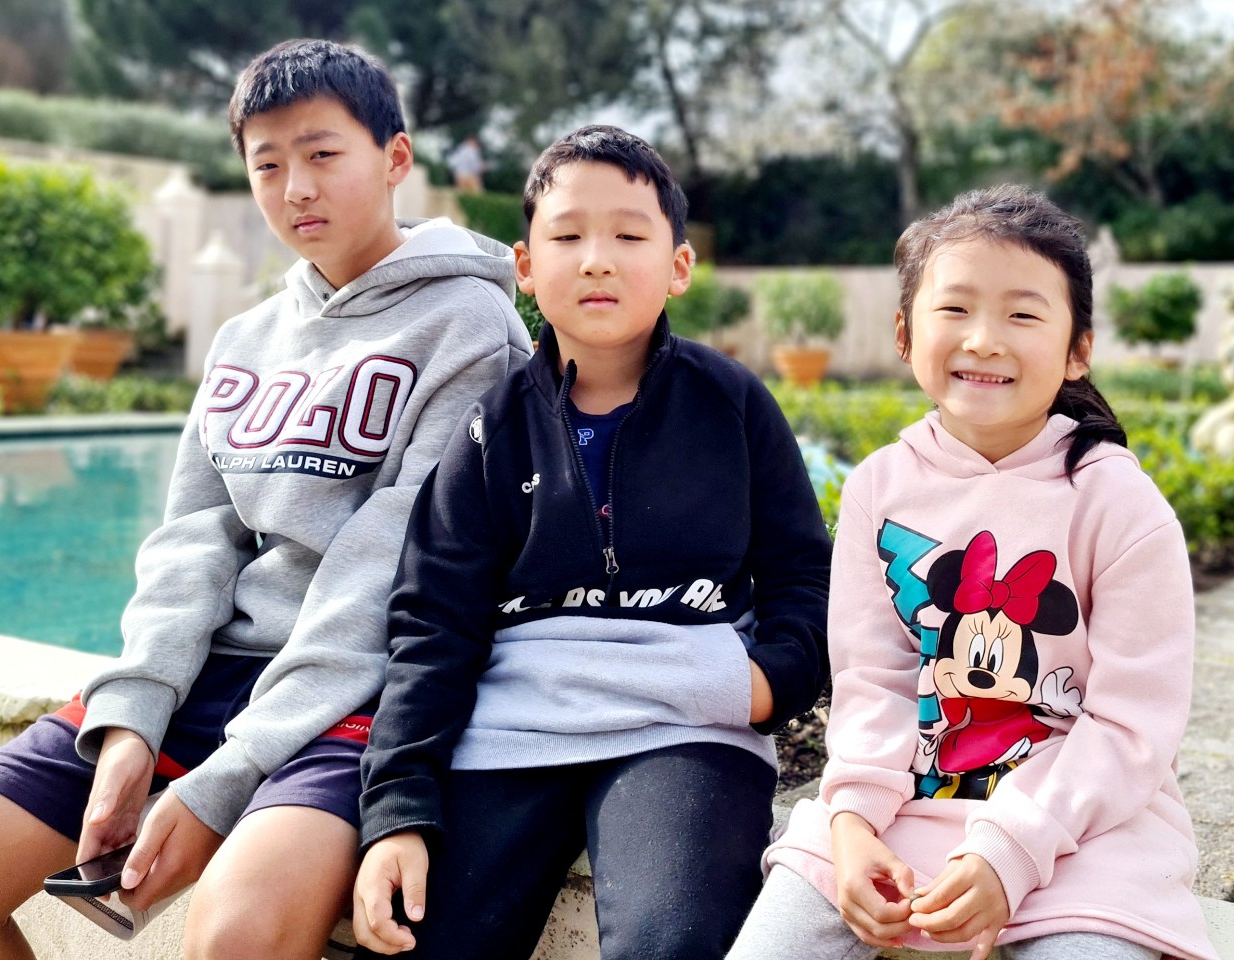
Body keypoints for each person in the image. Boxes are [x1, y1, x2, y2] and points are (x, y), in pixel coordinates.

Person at [0, 37, 531, 960]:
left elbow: (392, 565)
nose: (296, 188)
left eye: (322, 154)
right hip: (209, 674)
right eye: (267, 165)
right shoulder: (245, 337)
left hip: (355, 690)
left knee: (237, 935)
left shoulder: (471, 328)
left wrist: (230, 775)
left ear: (396, 157)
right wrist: (133, 717)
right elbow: (194, 537)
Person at [350, 124, 832, 959]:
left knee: (674, 943)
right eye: (568, 237)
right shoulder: (491, 429)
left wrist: (765, 685)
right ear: (525, 266)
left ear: (678, 265)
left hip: (683, 729)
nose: (597, 260)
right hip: (511, 733)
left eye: (629, 236)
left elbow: (806, 575)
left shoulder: (732, 404)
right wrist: (397, 810)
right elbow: (433, 621)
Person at [727, 184, 1218, 960]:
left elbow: (1131, 728)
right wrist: (851, 822)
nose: (984, 340)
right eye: (955, 308)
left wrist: (1008, 852)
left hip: (1085, 835)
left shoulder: (1121, 506)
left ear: (1078, 349)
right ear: (904, 332)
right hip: (900, 814)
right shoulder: (878, 487)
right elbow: (875, 682)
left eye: (1023, 315)